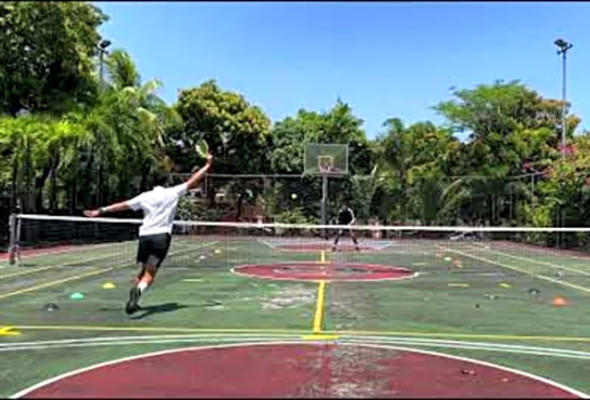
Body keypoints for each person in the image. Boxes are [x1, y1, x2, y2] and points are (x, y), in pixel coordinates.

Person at [84, 153, 213, 315]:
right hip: (161, 237)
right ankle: (138, 291)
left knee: (143, 270)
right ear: (166, 181)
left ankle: (134, 300)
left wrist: (101, 210)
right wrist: (207, 165)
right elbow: (192, 181)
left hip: (145, 237)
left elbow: (122, 205)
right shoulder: (172, 193)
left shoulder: (145, 196)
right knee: (150, 274)